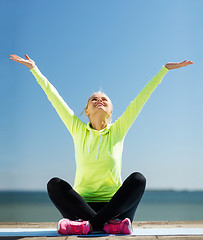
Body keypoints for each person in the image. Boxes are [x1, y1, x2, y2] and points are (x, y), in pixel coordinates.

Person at [10, 54, 193, 235]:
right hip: (82, 205)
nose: (99, 101)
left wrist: (164, 70)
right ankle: (106, 225)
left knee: (138, 179)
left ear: (110, 111)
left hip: (115, 207)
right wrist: (34, 69)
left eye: (104, 100)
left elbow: (140, 99)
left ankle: (88, 225)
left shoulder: (118, 130)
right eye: (94, 99)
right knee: (54, 184)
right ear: (87, 111)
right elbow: (54, 97)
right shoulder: (77, 129)